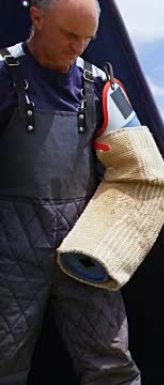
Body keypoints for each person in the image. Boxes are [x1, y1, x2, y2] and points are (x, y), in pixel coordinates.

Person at [0, 0, 141, 383]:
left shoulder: (101, 86)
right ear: (36, 17)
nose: (78, 47)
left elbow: (140, 170)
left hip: (84, 247)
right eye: (69, 35)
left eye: (87, 38)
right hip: (8, 249)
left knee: (110, 361)